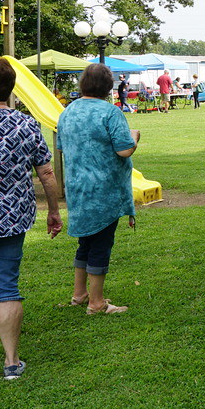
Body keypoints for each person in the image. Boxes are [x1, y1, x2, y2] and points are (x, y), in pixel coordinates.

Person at [0, 59, 63, 380]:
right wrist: (53, 211)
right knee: (6, 288)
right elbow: (46, 173)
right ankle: (11, 363)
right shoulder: (26, 125)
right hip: (11, 221)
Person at [56, 63, 139, 314]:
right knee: (101, 244)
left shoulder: (67, 112)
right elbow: (124, 150)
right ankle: (96, 302)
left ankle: (79, 294)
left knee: (86, 242)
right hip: (105, 191)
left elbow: (61, 147)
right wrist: (134, 137)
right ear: (107, 86)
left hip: (77, 189)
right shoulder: (110, 112)